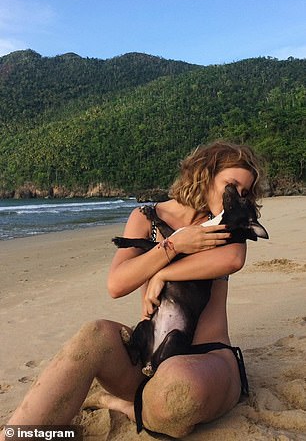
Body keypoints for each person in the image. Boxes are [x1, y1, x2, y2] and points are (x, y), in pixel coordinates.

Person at [2, 141, 263, 439]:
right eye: (231, 185)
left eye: (244, 191)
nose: (237, 196)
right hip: (147, 359)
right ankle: (18, 435)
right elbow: (117, 285)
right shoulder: (146, 218)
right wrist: (174, 245)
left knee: (176, 391)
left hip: (207, 360)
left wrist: (163, 274)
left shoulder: (229, 224)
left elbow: (233, 259)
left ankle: (121, 405)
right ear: (204, 173)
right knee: (93, 336)